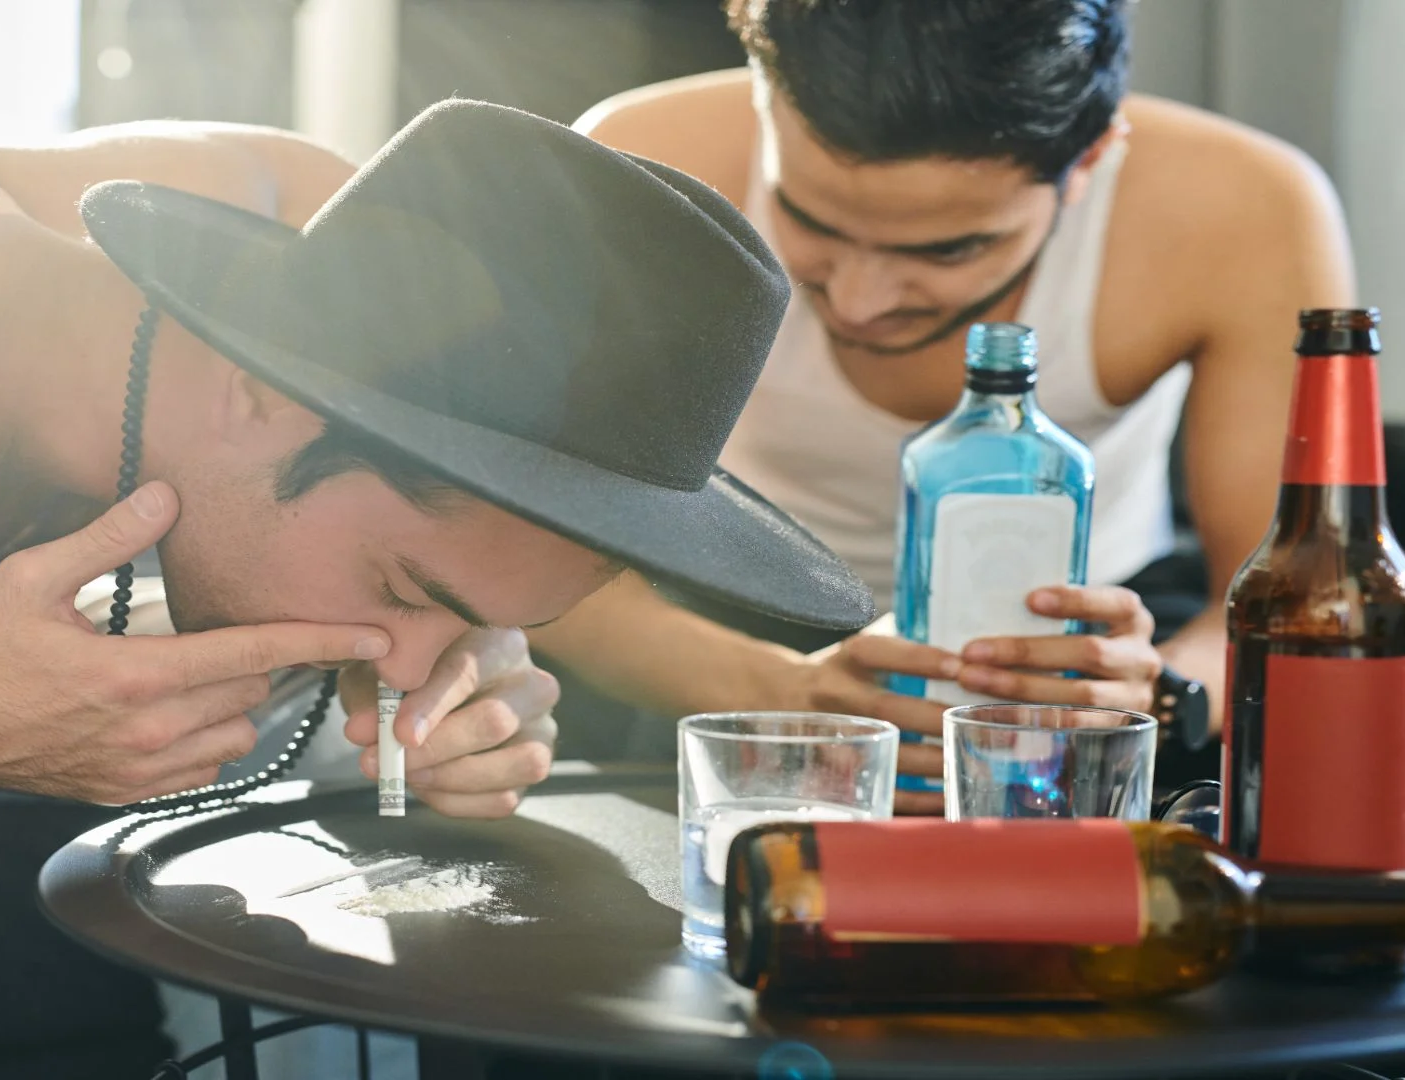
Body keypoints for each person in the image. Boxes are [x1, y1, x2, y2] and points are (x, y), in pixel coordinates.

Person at [0, 99, 869, 1077]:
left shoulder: (350, 249)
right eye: (408, 587)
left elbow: (452, 553)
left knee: (360, 801)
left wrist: (480, 673)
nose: (408, 656)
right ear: (263, 386)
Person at [538, 0, 1356, 809]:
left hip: (1089, 637)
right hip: (720, 629)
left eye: (948, 248)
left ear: (1093, 158)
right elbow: (529, 554)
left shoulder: (1246, 207)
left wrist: (1159, 690)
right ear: (765, 97)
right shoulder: (641, 158)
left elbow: (1281, 608)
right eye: (807, 218)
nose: (860, 302)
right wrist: (783, 690)